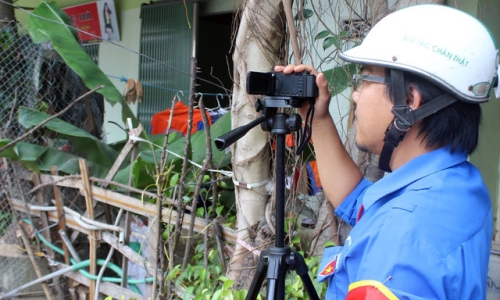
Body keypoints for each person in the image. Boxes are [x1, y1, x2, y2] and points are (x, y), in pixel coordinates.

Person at [276, 4, 498, 299]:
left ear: (409, 100)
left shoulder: (400, 242)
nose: (355, 94)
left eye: (365, 80)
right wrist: (318, 117)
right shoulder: (457, 185)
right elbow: (360, 203)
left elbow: (395, 227)